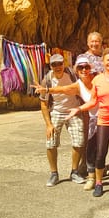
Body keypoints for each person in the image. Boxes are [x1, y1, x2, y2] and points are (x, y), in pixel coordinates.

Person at [67, 48, 109, 198]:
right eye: (108, 60)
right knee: (100, 153)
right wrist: (78, 109)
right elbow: (93, 101)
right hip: (104, 120)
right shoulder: (97, 80)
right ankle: (98, 183)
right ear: (103, 62)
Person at [38, 53, 86, 188]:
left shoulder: (72, 74)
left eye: (60, 63)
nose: (58, 67)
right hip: (56, 111)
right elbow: (43, 104)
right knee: (51, 143)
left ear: (64, 63)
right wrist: (48, 124)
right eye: (54, 64)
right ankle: (54, 173)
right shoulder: (47, 80)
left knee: (79, 140)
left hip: (73, 110)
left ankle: (74, 171)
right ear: (51, 66)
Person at [74, 55, 100, 191]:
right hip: (93, 118)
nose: (84, 69)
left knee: (108, 147)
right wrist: (47, 90)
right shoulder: (78, 84)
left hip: (108, 117)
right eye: (81, 67)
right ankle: (91, 177)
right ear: (76, 70)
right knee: (91, 147)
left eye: (86, 67)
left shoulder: (98, 79)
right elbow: (64, 89)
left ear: (90, 68)